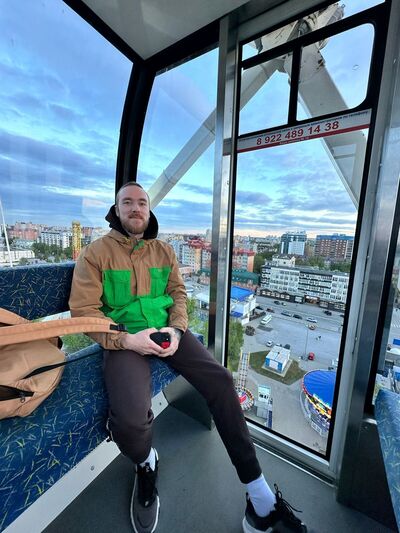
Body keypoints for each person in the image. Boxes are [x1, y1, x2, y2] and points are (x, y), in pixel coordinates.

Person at [69, 181, 307, 533]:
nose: (136, 208)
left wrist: (178, 330)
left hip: (168, 333)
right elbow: (83, 311)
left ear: (149, 209)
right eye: (127, 202)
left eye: (142, 202)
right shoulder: (96, 254)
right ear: (116, 210)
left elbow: (178, 294)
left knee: (221, 381)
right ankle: (146, 462)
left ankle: (260, 498)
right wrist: (127, 340)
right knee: (130, 424)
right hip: (126, 340)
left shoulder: (164, 251)